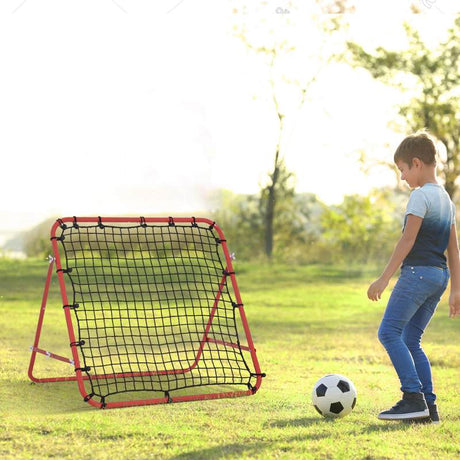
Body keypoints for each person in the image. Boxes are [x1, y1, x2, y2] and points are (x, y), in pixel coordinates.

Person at [367, 131, 460, 423]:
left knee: (388, 333)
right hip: (439, 277)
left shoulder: (420, 196)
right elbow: (453, 249)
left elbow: (407, 241)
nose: (403, 177)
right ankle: (429, 408)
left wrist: (383, 279)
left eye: (403, 170)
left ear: (417, 163)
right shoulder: (446, 199)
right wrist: (456, 289)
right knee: (411, 339)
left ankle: (412, 397)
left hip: (418, 274)